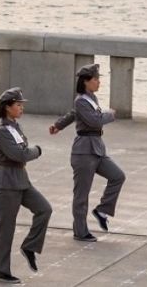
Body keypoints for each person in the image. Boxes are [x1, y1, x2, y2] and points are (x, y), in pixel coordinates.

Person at [49, 63, 124, 242]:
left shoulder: (91, 99)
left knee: (118, 176)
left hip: (97, 148)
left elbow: (72, 114)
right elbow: (93, 121)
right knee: (81, 194)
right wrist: (110, 115)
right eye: (96, 79)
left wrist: (58, 125)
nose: (99, 82)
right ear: (86, 82)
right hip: (84, 151)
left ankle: (102, 210)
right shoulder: (81, 100)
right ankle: (80, 231)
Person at [0, 88, 51, 284]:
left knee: (44, 209)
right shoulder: (2, 131)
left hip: (21, 180)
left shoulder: (15, 127)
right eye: (18, 105)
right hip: (6, 184)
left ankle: (29, 246)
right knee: (6, 229)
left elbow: (6, 151)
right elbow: (20, 154)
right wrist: (37, 151)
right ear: (7, 108)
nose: (21, 108)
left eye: (22, 105)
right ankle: (2, 271)